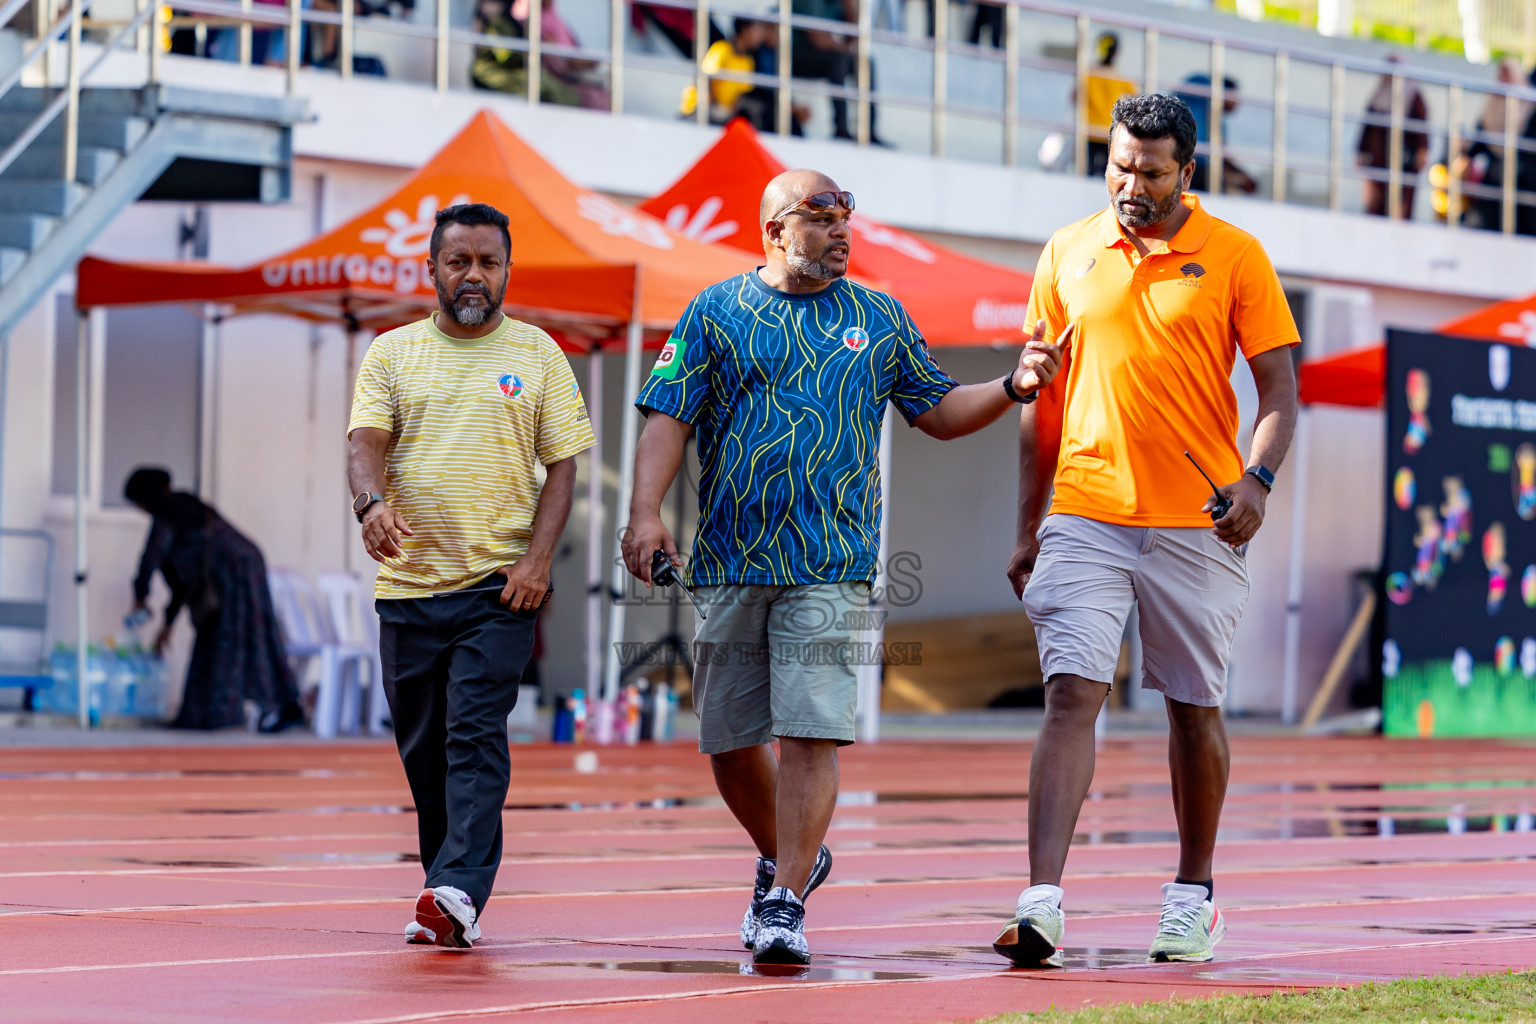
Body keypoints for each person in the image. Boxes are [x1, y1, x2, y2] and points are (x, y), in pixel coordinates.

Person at [621, 170, 1065, 965]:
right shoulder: (714, 312)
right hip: (730, 560)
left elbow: (936, 410)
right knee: (728, 742)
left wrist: (1011, 386)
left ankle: (785, 901)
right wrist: (644, 512)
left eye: (846, 215)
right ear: (774, 230)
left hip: (832, 562)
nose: (839, 230)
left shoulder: (879, 317)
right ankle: (793, 852)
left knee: (809, 731)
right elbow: (667, 417)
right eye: (820, 216)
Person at [995, 93, 1298, 968]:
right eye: (1120, 165)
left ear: (1186, 173)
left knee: (1191, 707)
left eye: (1152, 171)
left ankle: (1192, 896)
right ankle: (1042, 903)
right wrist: (1028, 524)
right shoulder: (1066, 251)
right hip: (1085, 511)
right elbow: (1038, 400)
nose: (1132, 183)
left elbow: (1278, 392)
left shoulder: (1237, 255)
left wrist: (1259, 480)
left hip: (1196, 522)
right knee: (1070, 693)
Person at [347, 202, 594, 949]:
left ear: (507, 269)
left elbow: (562, 467)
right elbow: (365, 442)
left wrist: (538, 561)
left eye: (489, 262)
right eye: (460, 261)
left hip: (498, 587)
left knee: (474, 733)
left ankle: (456, 884)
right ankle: (447, 891)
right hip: (409, 588)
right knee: (423, 753)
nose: (475, 276)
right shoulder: (391, 353)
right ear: (433, 269)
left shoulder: (540, 354)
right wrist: (370, 504)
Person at [125, 467, 303, 732]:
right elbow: (183, 581)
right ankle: (205, 716)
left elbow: (152, 557)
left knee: (243, 640)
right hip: (241, 567)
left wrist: (140, 596)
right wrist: (167, 624)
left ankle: (277, 708)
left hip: (237, 572)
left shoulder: (167, 510)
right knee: (224, 638)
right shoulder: (184, 507)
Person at [791, 0, 882, 143]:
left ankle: (868, 132)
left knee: (865, 63)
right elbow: (817, 39)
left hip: (824, 54)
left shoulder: (837, 3)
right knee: (839, 60)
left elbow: (853, 37)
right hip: (794, 56)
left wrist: (850, 7)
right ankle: (841, 130)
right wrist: (844, 49)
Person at [1357, 55, 1428, 218]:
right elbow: (1368, 124)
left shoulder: (1414, 96)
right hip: (1378, 161)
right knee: (1375, 205)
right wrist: (1360, 151)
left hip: (1403, 164)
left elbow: (1421, 128)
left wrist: (1422, 151)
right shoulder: (1379, 93)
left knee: (1399, 207)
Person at [1177, 74, 1257, 195]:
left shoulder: (1217, 122)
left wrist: (1242, 176)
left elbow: (1221, 156)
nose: (1236, 102)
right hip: (1193, 165)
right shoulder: (1200, 108)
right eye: (1233, 96)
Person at [1081, 32, 1135, 178]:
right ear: (1116, 52)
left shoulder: (1087, 75)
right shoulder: (1122, 79)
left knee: (1088, 169)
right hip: (1110, 131)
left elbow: (1074, 96)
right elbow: (1134, 100)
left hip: (1089, 130)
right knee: (1108, 171)